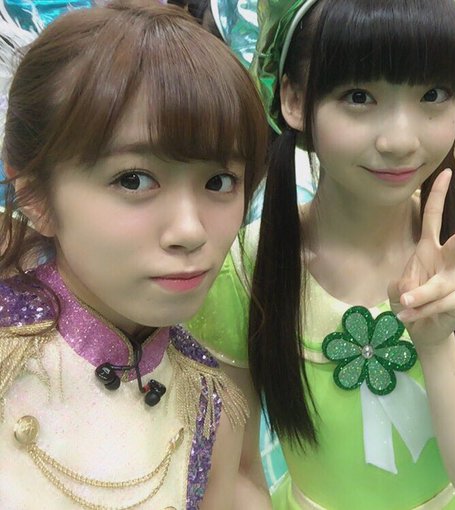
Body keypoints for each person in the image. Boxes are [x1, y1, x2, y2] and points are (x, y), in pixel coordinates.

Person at [188, 0, 455, 508]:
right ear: (293, 99)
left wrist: (436, 345)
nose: (400, 140)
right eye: (359, 96)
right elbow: (237, 473)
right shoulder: (243, 272)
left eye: (432, 95)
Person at [0, 1, 269, 508]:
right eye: (133, 180)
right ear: (35, 195)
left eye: (219, 182)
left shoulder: (210, 407)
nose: (190, 231)